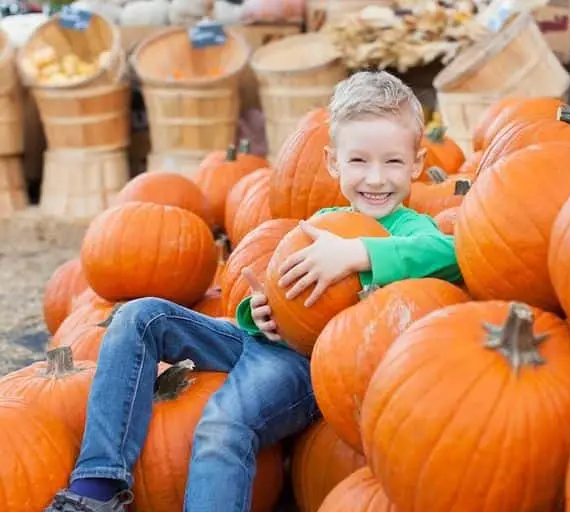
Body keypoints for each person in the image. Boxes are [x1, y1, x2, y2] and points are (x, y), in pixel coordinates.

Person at [45, 70, 462, 512]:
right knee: (140, 317)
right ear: (334, 162)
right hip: (265, 340)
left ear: (416, 164)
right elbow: (283, 291)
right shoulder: (319, 221)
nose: (375, 178)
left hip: (310, 365)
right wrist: (257, 310)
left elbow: (451, 250)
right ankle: (97, 483)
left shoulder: (412, 229)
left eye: (392, 162)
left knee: (223, 425)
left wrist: (361, 253)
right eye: (359, 161)